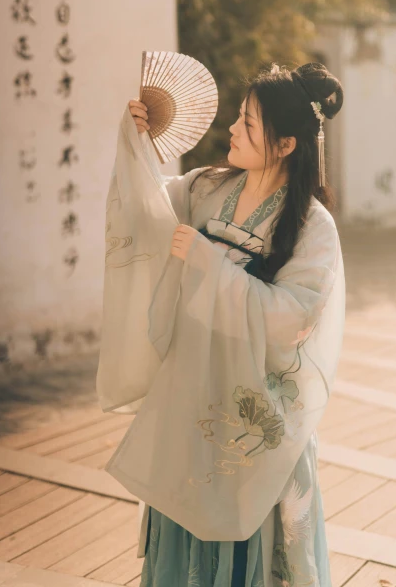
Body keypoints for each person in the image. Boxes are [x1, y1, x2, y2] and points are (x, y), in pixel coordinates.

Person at [96, 61, 346, 587]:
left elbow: (293, 317)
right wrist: (139, 144)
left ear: (286, 145)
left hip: (253, 411)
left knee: (244, 533)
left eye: (249, 125)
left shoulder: (311, 226)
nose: (232, 130)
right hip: (193, 391)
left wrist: (210, 265)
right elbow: (148, 212)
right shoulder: (209, 187)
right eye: (239, 117)